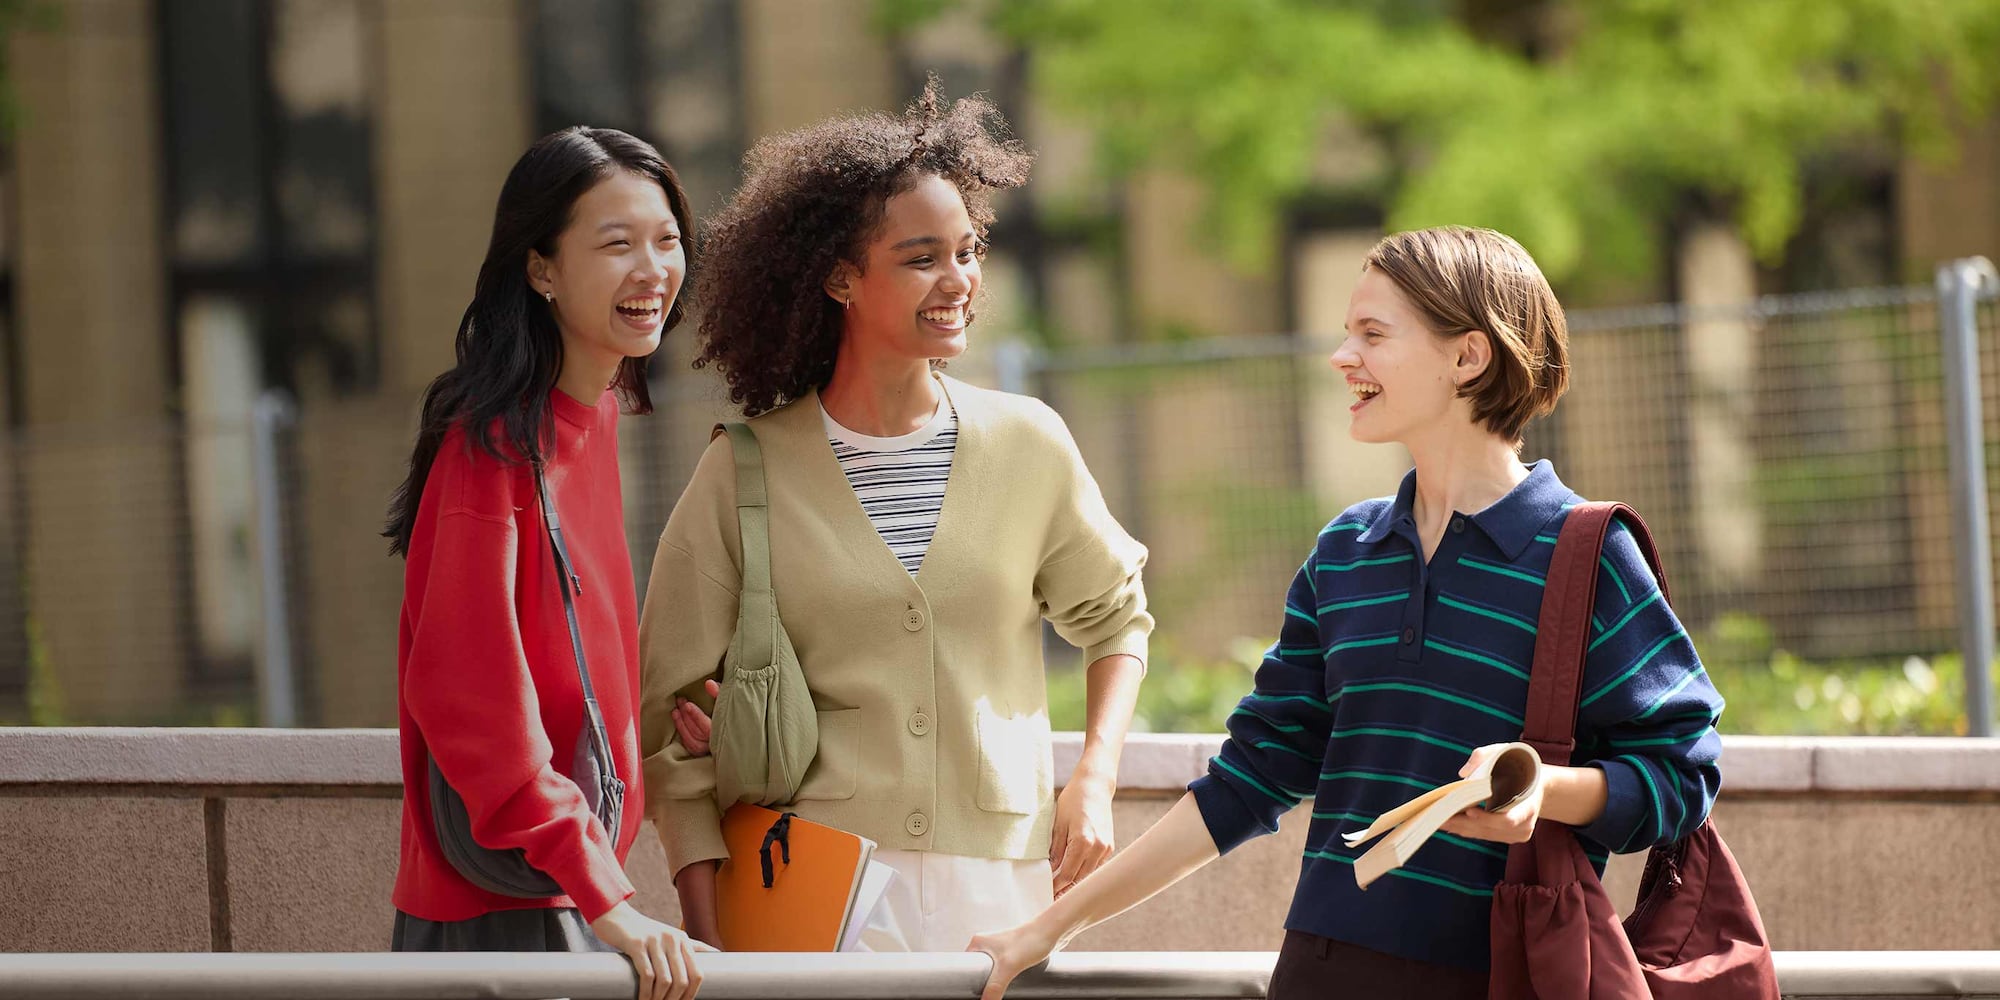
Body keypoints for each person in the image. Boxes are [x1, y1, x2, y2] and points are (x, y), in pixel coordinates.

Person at [971, 226, 1725, 999]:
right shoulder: (1345, 554)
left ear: (1467, 357)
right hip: (1322, 970)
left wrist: (1541, 788)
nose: (1342, 357)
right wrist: (1046, 930)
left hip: (1498, 976)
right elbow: (1247, 782)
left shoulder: (1586, 555)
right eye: (1345, 335)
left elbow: (1684, 772)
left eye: (1372, 334)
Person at [638, 82, 1152, 953]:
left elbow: (1116, 619)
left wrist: (1094, 779)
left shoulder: (1028, 443)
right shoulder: (745, 469)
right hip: (807, 880)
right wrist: (714, 938)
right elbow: (669, 731)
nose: (959, 281)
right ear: (841, 276)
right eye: (921, 258)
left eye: (969, 250)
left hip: (1003, 880)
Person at [384, 126, 707, 1000]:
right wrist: (607, 897)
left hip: (567, 892)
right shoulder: (489, 447)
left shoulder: (593, 420)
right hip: (497, 913)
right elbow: (468, 699)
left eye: (666, 238)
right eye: (616, 244)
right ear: (541, 270)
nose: (652, 269)